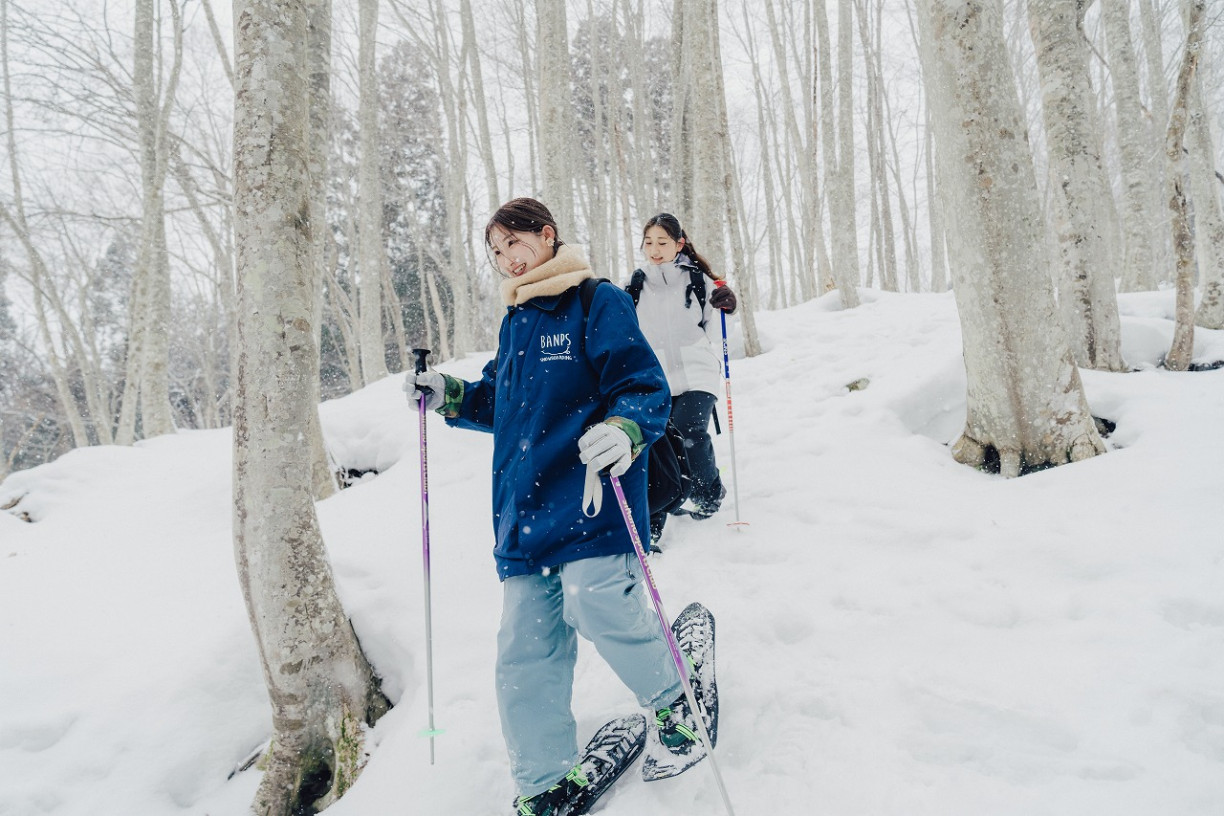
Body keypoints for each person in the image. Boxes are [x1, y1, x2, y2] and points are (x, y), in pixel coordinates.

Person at [404, 198, 709, 815]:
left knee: (598, 601)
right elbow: (503, 403)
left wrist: (625, 429)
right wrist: (451, 395)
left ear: (546, 236)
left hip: (591, 497)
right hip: (524, 512)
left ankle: (677, 703)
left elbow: (642, 385)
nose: (505, 261)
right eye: (495, 253)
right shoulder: (515, 320)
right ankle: (543, 780)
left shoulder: (596, 301)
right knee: (523, 648)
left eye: (513, 244)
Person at [626, 213, 737, 543]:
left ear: (679, 244)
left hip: (697, 370)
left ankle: (709, 494)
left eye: (662, 242)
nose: (655, 250)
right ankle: (671, 499)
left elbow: (717, 332)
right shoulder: (635, 284)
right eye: (649, 243)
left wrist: (726, 308)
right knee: (662, 442)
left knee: (690, 430)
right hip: (658, 376)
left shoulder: (698, 280)